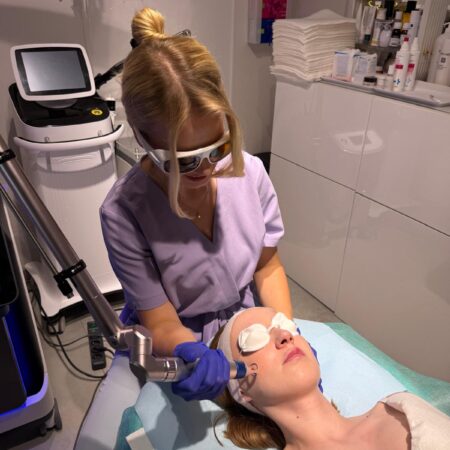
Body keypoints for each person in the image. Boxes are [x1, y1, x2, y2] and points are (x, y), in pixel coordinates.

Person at [100, 7, 293, 402]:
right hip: (179, 338)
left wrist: (284, 329)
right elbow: (160, 320)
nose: (206, 169)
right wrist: (191, 350)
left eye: (218, 147)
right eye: (184, 160)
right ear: (140, 136)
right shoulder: (124, 213)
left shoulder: (250, 173)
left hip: (248, 325)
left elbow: (267, 265)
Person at [213, 307, 450, 450]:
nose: (284, 335)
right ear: (242, 391)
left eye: (285, 324)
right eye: (254, 338)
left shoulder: (400, 408)